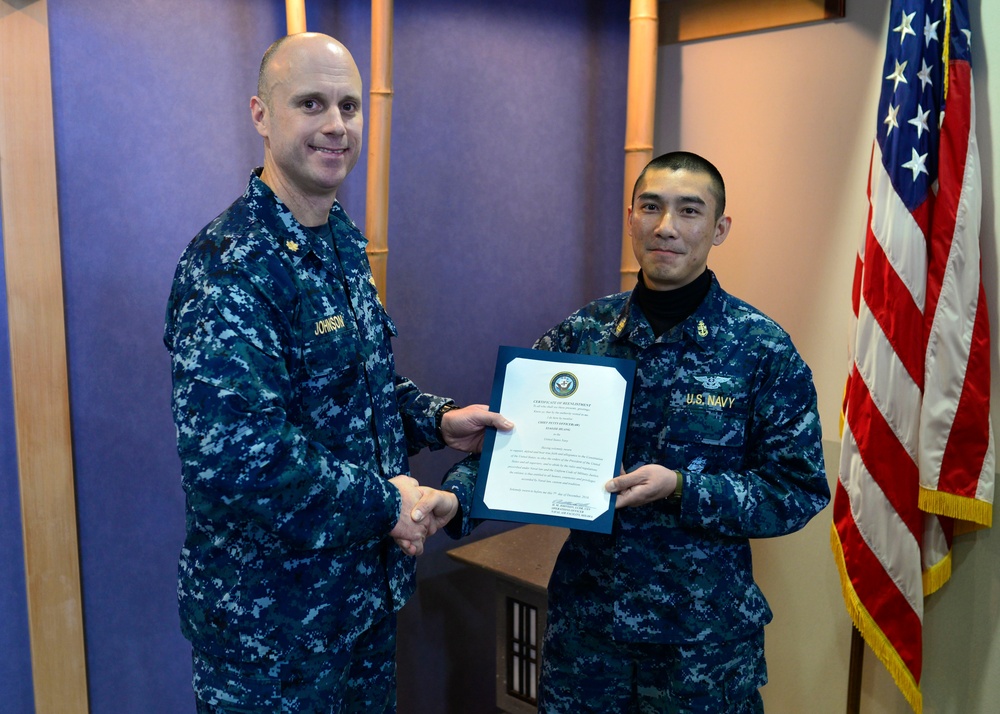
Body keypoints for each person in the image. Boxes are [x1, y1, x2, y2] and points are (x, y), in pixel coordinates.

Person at [164, 33, 510, 713]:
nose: (336, 126)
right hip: (272, 637)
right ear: (262, 114)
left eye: (350, 107)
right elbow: (245, 458)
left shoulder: (340, 239)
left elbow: (357, 386)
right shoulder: (232, 265)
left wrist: (437, 419)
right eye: (311, 103)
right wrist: (392, 503)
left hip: (355, 612)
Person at [442, 151, 830, 712]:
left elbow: (798, 489)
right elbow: (513, 443)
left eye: (689, 211)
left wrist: (681, 487)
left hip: (701, 651)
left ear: (719, 229)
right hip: (587, 637)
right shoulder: (585, 333)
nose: (666, 227)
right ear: (631, 218)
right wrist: (452, 499)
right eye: (651, 207)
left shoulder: (762, 350)